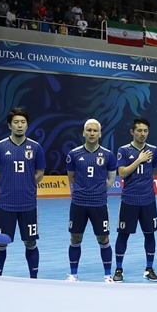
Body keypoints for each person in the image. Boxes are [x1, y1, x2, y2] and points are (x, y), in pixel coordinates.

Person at [0, 107, 45, 277]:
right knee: (0, 244)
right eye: (16, 122)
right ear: (9, 125)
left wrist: (25, 184)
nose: (19, 125)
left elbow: (40, 174)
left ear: (27, 125)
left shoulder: (36, 148)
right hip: (5, 205)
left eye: (23, 122)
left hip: (28, 205)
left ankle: (33, 279)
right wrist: (9, 186)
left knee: (30, 242)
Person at [65, 119, 117, 282]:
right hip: (78, 204)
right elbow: (71, 178)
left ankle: (108, 275)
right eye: (89, 130)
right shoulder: (74, 154)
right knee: (75, 238)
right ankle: (73, 274)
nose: (92, 133)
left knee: (104, 239)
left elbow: (110, 180)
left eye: (95, 131)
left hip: (99, 204)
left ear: (100, 133)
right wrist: (83, 191)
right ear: (84, 133)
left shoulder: (108, 155)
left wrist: (97, 191)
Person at [114, 118, 157, 282]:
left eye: (145, 131)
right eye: (139, 130)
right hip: (129, 200)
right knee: (123, 235)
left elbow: (153, 172)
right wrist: (139, 159)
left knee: (150, 234)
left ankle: (149, 268)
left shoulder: (154, 150)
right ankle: (119, 269)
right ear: (132, 132)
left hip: (148, 200)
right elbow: (123, 173)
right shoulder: (124, 150)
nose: (142, 134)